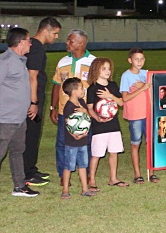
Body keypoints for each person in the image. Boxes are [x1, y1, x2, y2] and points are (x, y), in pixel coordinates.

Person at [0, 27, 39, 205]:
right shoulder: (4, 61)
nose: (31, 43)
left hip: (18, 117)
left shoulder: (20, 60)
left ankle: (19, 186)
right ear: (20, 42)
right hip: (3, 118)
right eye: (29, 40)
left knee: (17, 151)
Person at [50, 29, 95, 180]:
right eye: (68, 40)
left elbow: (99, 87)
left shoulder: (93, 62)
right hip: (65, 111)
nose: (67, 43)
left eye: (71, 41)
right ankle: (63, 175)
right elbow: (56, 85)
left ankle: (88, 174)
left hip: (86, 112)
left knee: (87, 143)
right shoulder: (63, 62)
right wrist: (53, 107)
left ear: (81, 43)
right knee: (62, 143)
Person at [23, 16, 62, 187]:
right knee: (31, 135)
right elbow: (32, 76)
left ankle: (30, 168)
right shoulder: (37, 48)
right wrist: (34, 102)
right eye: (55, 33)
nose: (56, 37)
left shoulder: (30, 44)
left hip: (30, 97)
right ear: (45, 31)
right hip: (32, 98)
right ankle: (27, 174)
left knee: (31, 134)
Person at [86, 57, 127, 189]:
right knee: (97, 153)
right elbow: (90, 108)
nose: (108, 71)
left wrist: (110, 96)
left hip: (113, 125)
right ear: (96, 70)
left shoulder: (113, 86)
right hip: (100, 126)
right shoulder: (92, 88)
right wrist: (97, 118)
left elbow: (121, 103)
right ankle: (91, 179)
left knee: (114, 152)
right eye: (104, 69)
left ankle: (113, 178)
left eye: (109, 68)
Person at [120, 47, 156, 184]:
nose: (139, 61)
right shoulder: (126, 76)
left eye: (141, 59)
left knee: (150, 143)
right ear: (130, 60)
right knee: (136, 143)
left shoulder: (146, 74)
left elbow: (154, 89)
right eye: (136, 59)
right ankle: (137, 174)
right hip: (135, 115)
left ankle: (151, 172)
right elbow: (125, 98)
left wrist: (146, 86)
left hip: (148, 113)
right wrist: (142, 87)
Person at [59, 78, 94, 198]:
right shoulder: (69, 106)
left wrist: (85, 112)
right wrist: (75, 134)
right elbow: (68, 123)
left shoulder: (82, 103)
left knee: (83, 165)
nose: (83, 90)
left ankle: (85, 189)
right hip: (72, 142)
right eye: (80, 88)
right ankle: (65, 190)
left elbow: (88, 119)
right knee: (69, 165)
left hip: (83, 141)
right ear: (73, 91)